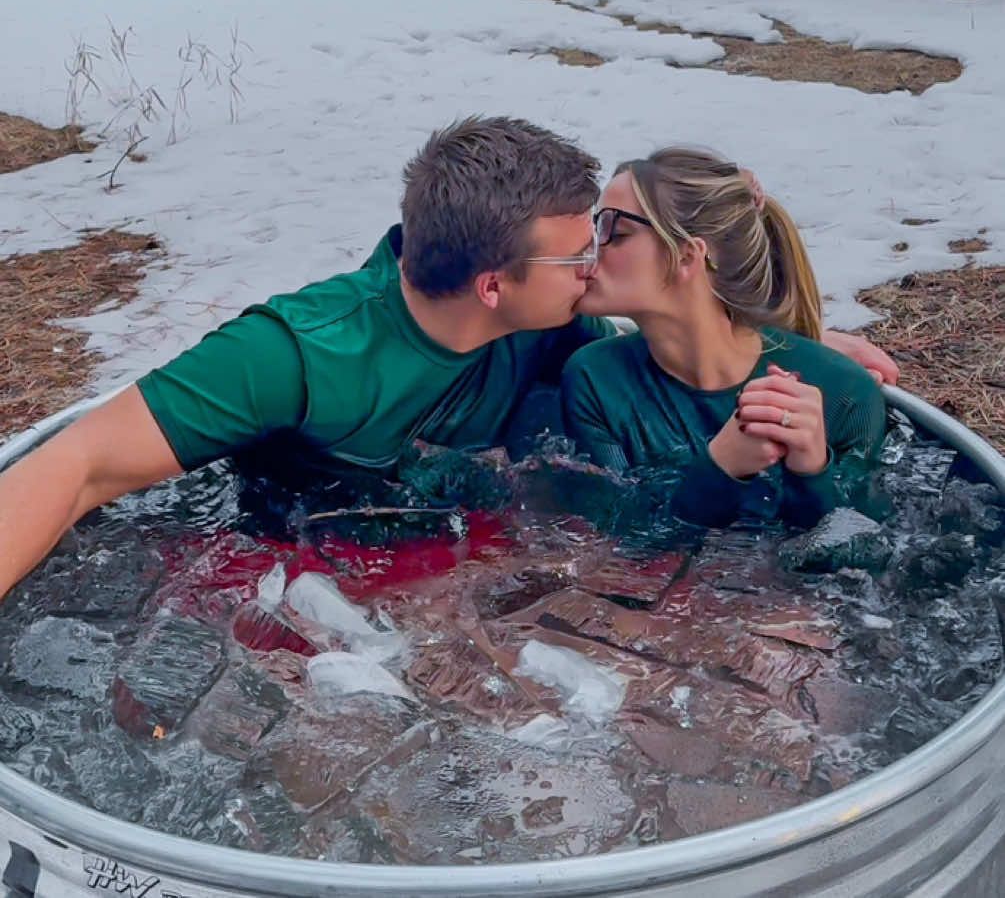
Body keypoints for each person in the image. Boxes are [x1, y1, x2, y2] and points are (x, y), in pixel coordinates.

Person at [0, 119, 894, 600]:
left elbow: (677, 348)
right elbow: (75, 463)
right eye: (579, 250)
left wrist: (801, 348)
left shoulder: (554, 328)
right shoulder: (295, 353)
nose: (594, 263)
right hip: (296, 559)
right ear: (494, 282)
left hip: (458, 555)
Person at [561, 147, 888, 528]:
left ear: (686, 256)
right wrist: (722, 467)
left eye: (614, 231)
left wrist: (812, 471)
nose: (587, 250)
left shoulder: (845, 393)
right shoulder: (596, 378)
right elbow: (618, 545)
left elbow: (870, 563)